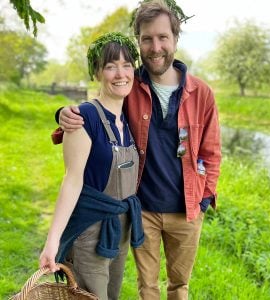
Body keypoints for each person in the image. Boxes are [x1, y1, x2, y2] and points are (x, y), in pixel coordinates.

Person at [55, 0, 221, 299]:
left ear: (175, 39)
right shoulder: (130, 85)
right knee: (147, 286)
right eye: (147, 39)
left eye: (162, 37)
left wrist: (205, 197)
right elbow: (96, 115)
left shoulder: (201, 93)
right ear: (139, 42)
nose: (155, 46)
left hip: (187, 209)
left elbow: (211, 152)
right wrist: (62, 115)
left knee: (180, 286)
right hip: (142, 208)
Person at [40, 32, 144, 300]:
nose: (120, 73)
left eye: (126, 65)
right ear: (97, 72)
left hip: (120, 229)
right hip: (90, 232)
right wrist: (52, 241)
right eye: (110, 66)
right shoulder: (84, 118)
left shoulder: (128, 119)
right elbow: (71, 181)